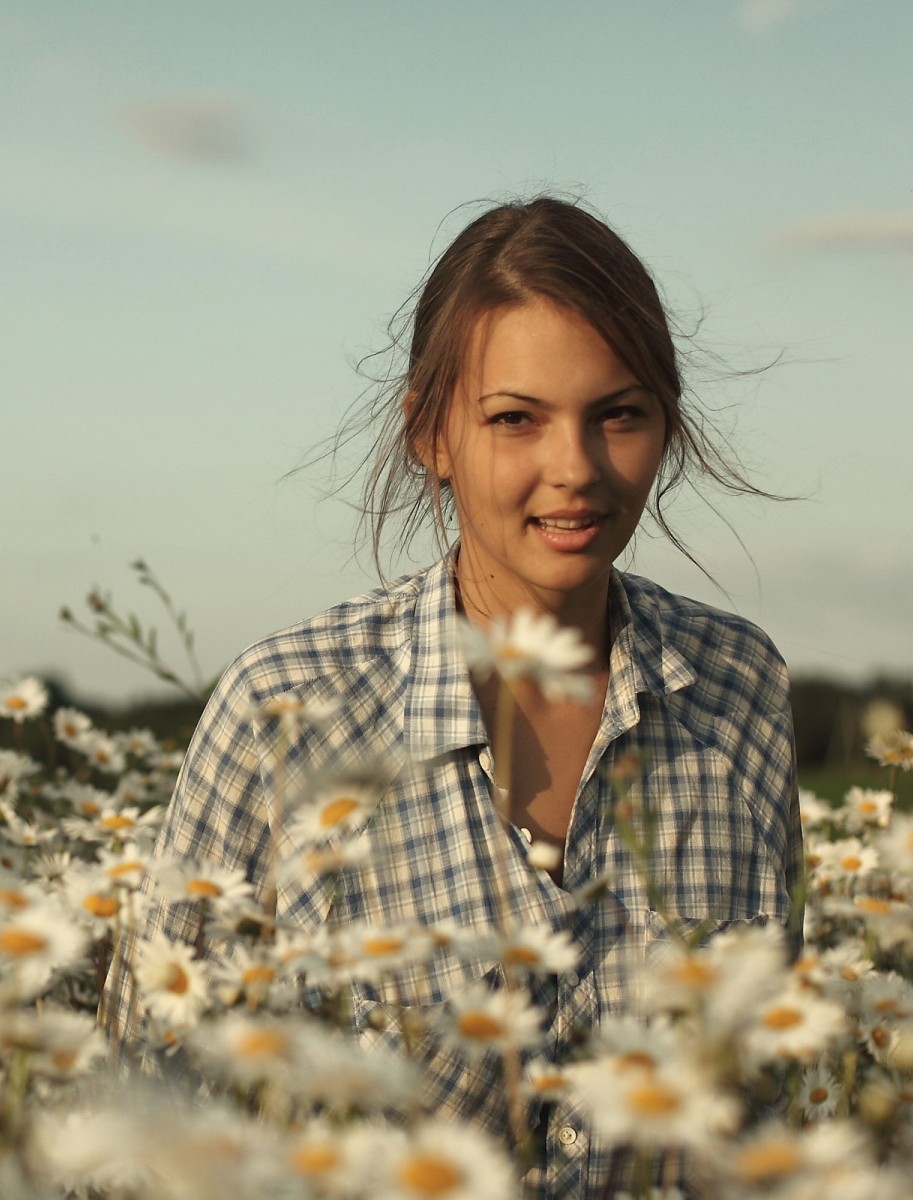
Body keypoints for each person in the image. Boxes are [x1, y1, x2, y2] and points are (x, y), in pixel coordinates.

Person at [103, 196, 802, 1198]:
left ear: (666, 426)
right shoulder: (288, 708)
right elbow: (147, 1110)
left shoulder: (738, 689)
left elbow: (762, 1103)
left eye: (620, 414)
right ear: (432, 434)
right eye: (516, 419)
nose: (576, 470)